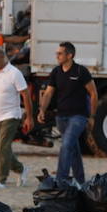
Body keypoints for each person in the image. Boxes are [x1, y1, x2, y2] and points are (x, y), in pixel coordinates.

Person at [39, 41, 97, 183]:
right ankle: (80, 181)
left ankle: (61, 180)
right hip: (61, 117)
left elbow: (93, 93)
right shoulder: (56, 72)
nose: (57, 56)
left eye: (60, 53)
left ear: (70, 55)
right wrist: (42, 110)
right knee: (73, 148)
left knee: (66, 144)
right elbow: (48, 93)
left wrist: (92, 116)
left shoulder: (80, 71)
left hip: (79, 116)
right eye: (56, 53)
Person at [0, 45, 33, 189]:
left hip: (11, 115)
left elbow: (25, 95)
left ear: (2, 58)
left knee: (4, 147)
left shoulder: (14, 73)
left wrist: (29, 117)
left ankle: (0, 179)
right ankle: (21, 169)